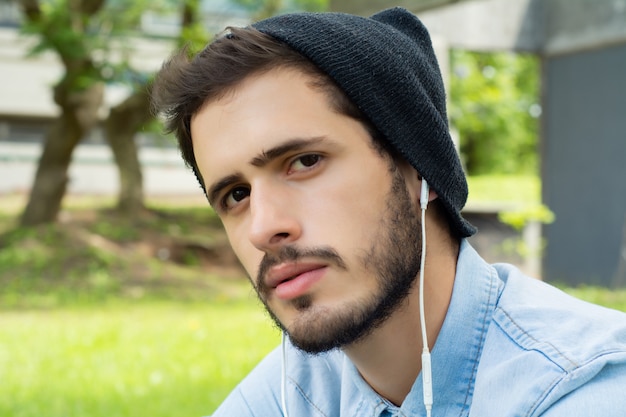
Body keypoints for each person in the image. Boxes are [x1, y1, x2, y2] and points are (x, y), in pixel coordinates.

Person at [151, 7, 626, 417]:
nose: (263, 227)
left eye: (304, 162)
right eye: (236, 195)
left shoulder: (585, 392)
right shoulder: (292, 389)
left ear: (418, 162)